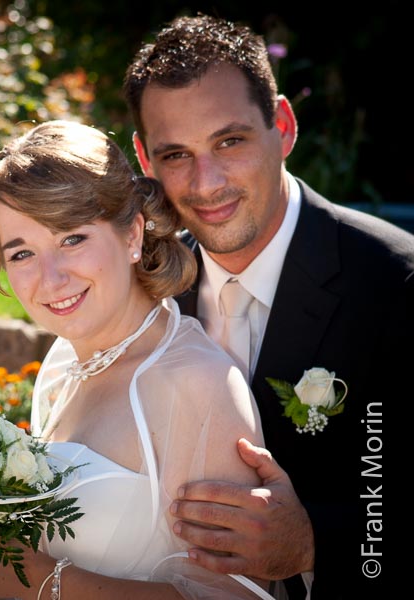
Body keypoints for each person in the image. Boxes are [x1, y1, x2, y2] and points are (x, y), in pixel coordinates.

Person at [123, 14, 414, 599]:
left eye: (229, 142)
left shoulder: (396, 283)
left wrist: (314, 544)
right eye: (176, 154)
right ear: (145, 159)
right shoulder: (143, 293)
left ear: (282, 126)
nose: (206, 184)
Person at [0, 120, 279, 599]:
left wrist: (37, 581)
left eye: (72, 239)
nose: (51, 278)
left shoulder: (198, 384)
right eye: (21, 254)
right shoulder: (62, 366)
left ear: (131, 236)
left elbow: (236, 595)